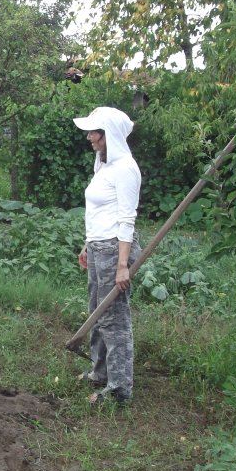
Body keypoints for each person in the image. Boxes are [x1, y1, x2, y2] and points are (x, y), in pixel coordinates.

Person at [74, 107, 142, 405]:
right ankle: (100, 372)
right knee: (96, 312)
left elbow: (126, 219)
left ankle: (119, 390)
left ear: (109, 134)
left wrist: (122, 265)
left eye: (95, 132)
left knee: (113, 319)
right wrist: (88, 244)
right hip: (98, 247)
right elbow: (100, 211)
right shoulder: (103, 165)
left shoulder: (126, 169)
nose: (89, 137)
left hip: (115, 250)